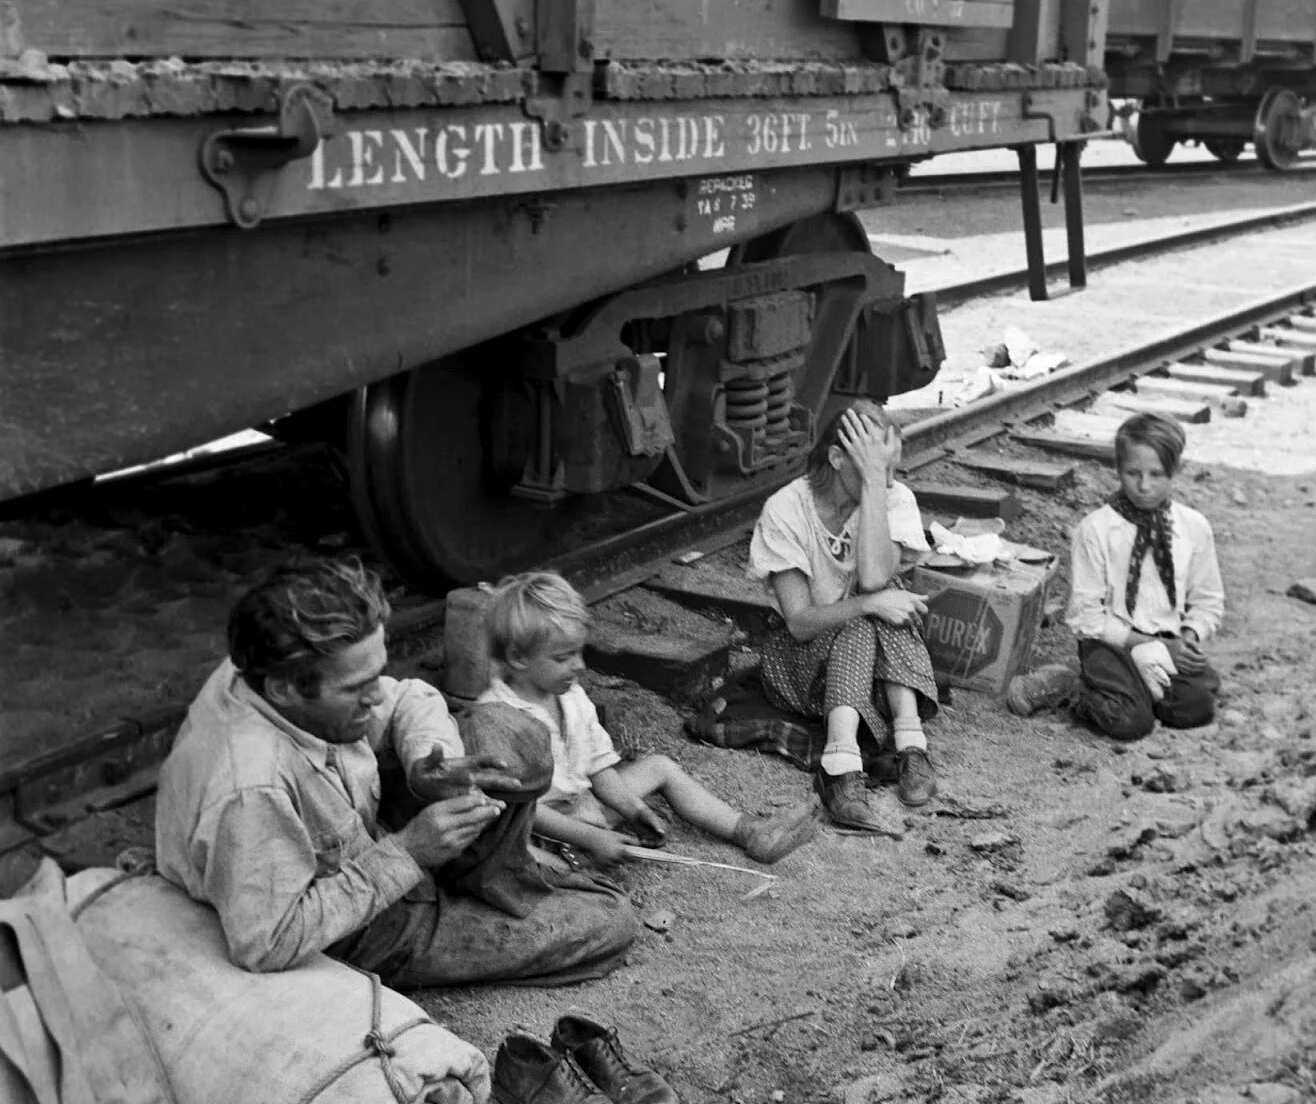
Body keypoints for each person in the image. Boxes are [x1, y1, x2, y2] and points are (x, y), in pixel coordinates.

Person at [156, 558, 637, 988]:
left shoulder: (272, 671)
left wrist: (432, 762)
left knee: (508, 732)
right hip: (353, 925)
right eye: (358, 688)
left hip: (372, 841)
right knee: (608, 918)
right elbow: (269, 941)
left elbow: (408, 697)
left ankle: (481, 880)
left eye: (375, 675)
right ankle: (466, 899)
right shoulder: (250, 786)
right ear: (285, 690)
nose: (376, 697)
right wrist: (408, 852)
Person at [463, 573, 816, 867]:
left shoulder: (570, 695)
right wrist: (592, 835)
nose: (580, 667)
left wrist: (632, 809)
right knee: (519, 856)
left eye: (579, 653)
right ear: (517, 657)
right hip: (533, 823)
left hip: (580, 806)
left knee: (659, 766)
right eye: (563, 657)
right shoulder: (495, 718)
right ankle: (572, 859)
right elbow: (522, 810)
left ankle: (747, 830)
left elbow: (600, 770)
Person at [747, 400, 940, 832]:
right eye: (875, 470)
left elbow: (873, 576)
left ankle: (900, 748)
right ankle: (841, 770)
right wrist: (868, 604)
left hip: (873, 681)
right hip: (802, 669)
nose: (888, 482)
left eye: (890, 470)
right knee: (870, 611)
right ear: (836, 458)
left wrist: (874, 486)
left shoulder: (894, 498)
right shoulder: (786, 509)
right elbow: (798, 623)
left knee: (888, 597)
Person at [1065, 412, 1225, 741]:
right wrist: (1149, 645)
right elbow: (1085, 617)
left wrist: (1188, 639)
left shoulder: (1193, 527)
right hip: (1111, 643)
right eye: (1133, 473)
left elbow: (1208, 601)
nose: (1144, 486)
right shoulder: (1096, 529)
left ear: (1174, 471)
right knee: (1130, 723)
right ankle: (1073, 689)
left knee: (1197, 709)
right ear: (1118, 469)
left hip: (1168, 640)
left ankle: (1140, 688)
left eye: (1156, 474)